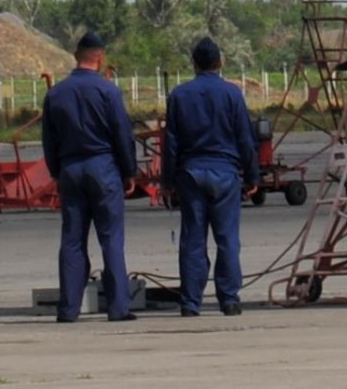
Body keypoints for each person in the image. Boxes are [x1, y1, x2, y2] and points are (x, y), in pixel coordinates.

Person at [40, 31, 137, 323]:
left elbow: (49, 139)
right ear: (100, 57)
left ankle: (69, 309)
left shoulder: (56, 93)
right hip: (103, 168)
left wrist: (57, 171)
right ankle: (118, 308)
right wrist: (129, 170)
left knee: (71, 240)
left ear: (75, 55)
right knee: (111, 239)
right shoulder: (108, 92)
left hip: (71, 169)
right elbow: (122, 134)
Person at [161, 37, 260, 317]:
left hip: (191, 173)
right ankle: (229, 299)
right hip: (225, 173)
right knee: (227, 238)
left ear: (194, 64)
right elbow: (245, 137)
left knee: (192, 239)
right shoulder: (232, 94)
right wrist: (253, 175)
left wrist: (167, 182)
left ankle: (191, 302)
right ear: (220, 62)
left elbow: (171, 143)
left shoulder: (179, 95)